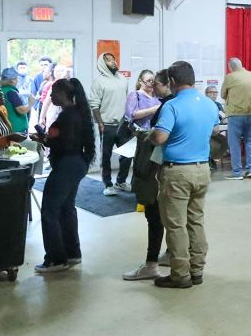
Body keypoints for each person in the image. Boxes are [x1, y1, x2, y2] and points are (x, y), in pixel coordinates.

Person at [150, 61, 219, 289]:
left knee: (175, 225)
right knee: (195, 220)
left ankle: (180, 274)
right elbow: (215, 130)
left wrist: (149, 135)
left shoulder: (172, 106)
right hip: (202, 170)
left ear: (171, 82)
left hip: (178, 172)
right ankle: (197, 270)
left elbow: (160, 138)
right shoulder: (209, 104)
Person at [29, 78, 95, 274]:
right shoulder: (77, 112)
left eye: (54, 93)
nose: (50, 97)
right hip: (77, 163)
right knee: (66, 207)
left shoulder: (67, 116)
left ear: (64, 94)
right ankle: (72, 252)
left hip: (66, 165)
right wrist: (47, 139)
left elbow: (62, 144)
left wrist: (44, 139)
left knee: (49, 210)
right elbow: (67, 141)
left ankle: (56, 259)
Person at [123, 69, 173, 281]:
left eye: (156, 83)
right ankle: (175, 256)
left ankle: (152, 263)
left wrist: (147, 135)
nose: (153, 87)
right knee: (177, 216)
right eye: (149, 82)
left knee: (155, 215)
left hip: (159, 167)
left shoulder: (167, 107)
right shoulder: (193, 104)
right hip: (182, 167)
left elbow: (159, 138)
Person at [89, 51, 131, 196]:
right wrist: (100, 123)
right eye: (109, 60)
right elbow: (94, 105)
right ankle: (108, 184)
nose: (113, 62)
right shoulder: (99, 82)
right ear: (102, 63)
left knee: (127, 155)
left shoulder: (122, 79)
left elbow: (126, 99)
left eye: (113, 60)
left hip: (123, 124)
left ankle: (121, 181)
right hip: (107, 125)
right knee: (105, 156)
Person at [222, 57, 251, 180]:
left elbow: (223, 94)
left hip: (236, 115)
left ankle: (237, 172)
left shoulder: (230, 77)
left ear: (231, 67)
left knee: (234, 144)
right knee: (250, 142)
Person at [0, 68, 30, 135]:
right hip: (17, 128)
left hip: (6, 127)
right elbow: (21, 110)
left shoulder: (0, 90)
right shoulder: (11, 92)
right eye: (16, 78)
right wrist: (31, 103)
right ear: (12, 80)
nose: (17, 80)